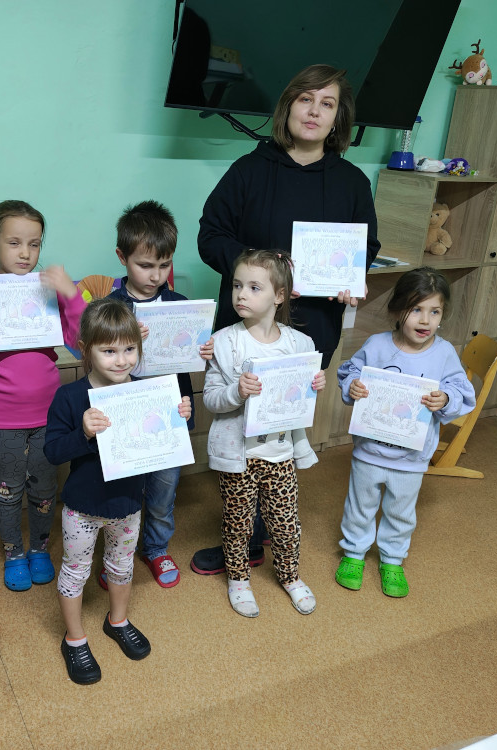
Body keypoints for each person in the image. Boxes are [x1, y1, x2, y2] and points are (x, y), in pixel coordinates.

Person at [193, 63, 381, 575]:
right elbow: (210, 235)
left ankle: (263, 534)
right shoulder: (249, 169)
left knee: (279, 432)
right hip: (246, 330)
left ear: (338, 117)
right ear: (288, 106)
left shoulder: (351, 182)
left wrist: (352, 278)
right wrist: (260, 271)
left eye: (327, 103)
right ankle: (243, 536)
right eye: (306, 99)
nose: (315, 111)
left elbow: (365, 248)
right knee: (238, 427)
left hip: (311, 329)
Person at [45, 298, 192, 684]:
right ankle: (74, 639)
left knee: (122, 566)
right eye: (108, 351)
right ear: (86, 350)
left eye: (129, 349)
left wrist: (177, 417)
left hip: (128, 505)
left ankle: (118, 620)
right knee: (75, 571)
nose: (121, 360)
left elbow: (161, 440)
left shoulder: (148, 392)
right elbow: (52, 451)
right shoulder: (70, 397)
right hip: (81, 507)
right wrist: (83, 432)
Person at [0, 200, 85, 592]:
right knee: (8, 491)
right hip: (0, 420)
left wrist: (71, 294)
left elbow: (83, 341)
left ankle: (40, 550)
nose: (26, 253)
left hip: (49, 416)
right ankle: (13, 554)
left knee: (44, 491)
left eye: (34, 244)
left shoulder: (49, 291)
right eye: (14, 243)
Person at [336, 267, 475, 597]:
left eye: (435, 311)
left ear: (443, 314)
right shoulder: (377, 345)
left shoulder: (444, 353)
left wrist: (446, 398)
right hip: (369, 451)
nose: (425, 320)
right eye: (416, 309)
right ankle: (354, 554)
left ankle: (392, 560)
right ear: (398, 310)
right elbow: (349, 371)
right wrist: (353, 386)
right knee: (360, 506)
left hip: (412, 456)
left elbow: (462, 391)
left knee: (400, 512)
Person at [203, 249, 326, 617]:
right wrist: (236, 391)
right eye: (237, 285)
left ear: (279, 295)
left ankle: (290, 575)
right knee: (238, 523)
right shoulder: (224, 342)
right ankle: (238, 579)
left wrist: (314, 385)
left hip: (280, 454)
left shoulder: (299, 344)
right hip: (239, 455)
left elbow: (299, 399)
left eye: (254, 287)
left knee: (286, 524)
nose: (241, 294)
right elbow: (211, 399)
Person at [104, 199, 213, 588]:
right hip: (125, 418)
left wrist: (205, 351)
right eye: (145, 265)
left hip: (171, 415)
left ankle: (155, 548)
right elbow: (94, 363)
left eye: (164, 265)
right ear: (122, 258)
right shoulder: (110, 310)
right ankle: (117, 555)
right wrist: (124, 337)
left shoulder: (181, 307)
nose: (155, 276)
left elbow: (191, 360)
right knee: (123, 490)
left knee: (164, 490)